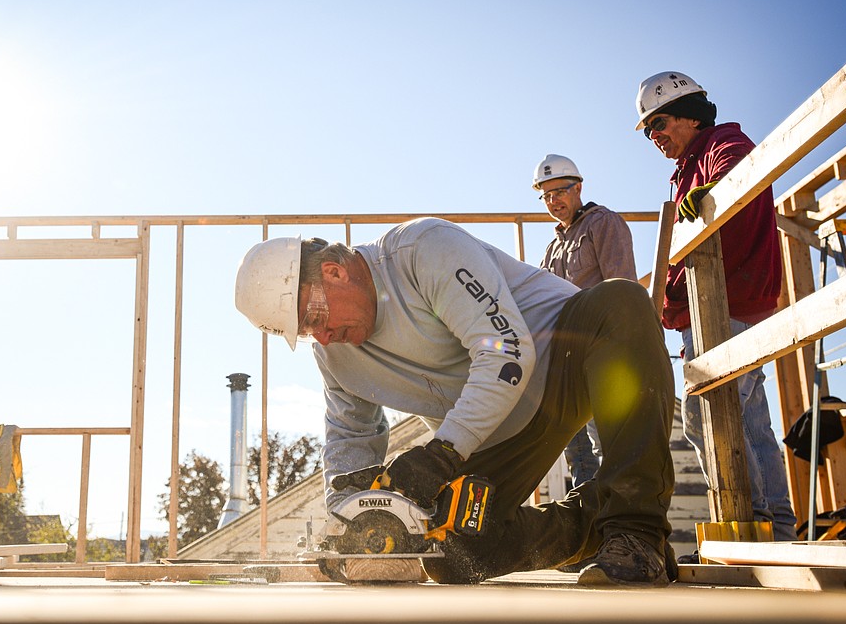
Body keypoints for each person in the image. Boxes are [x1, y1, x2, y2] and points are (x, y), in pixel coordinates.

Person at [234, 217, 677, 586]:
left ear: (334, 270)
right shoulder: (334, 354)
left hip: (565, 357)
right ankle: (595, 528)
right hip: (496, 431)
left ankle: (637, 530)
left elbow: (505, 352)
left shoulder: (423, 250)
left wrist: (442, 452)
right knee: (454, 550)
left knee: (621, 300)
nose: (323, 337)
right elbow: (351, 441)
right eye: (309, 332)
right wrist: (351, 527)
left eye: (315, 318)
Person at [635, 70, 797, 545]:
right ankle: (779, 532)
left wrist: (713, 192)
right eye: (648, 132)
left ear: (690, 113)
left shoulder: (722, 144)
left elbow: (736, 169)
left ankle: (753, 529)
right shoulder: (686, 169)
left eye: (659, 123)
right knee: (750, 420)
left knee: (703, 416)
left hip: (722, 304)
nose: (655, 137)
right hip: (715, 307)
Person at [535, 153, 637, 488]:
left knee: (607, 442)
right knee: (577, 452)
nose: (554, 201)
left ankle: (619, 525)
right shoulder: (551, 249)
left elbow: (622, 289)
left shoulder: (603, 224)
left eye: (560, 192)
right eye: (546, 195)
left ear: (578, 187)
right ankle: (588, 529)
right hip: (564, 361)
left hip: (601, 353)